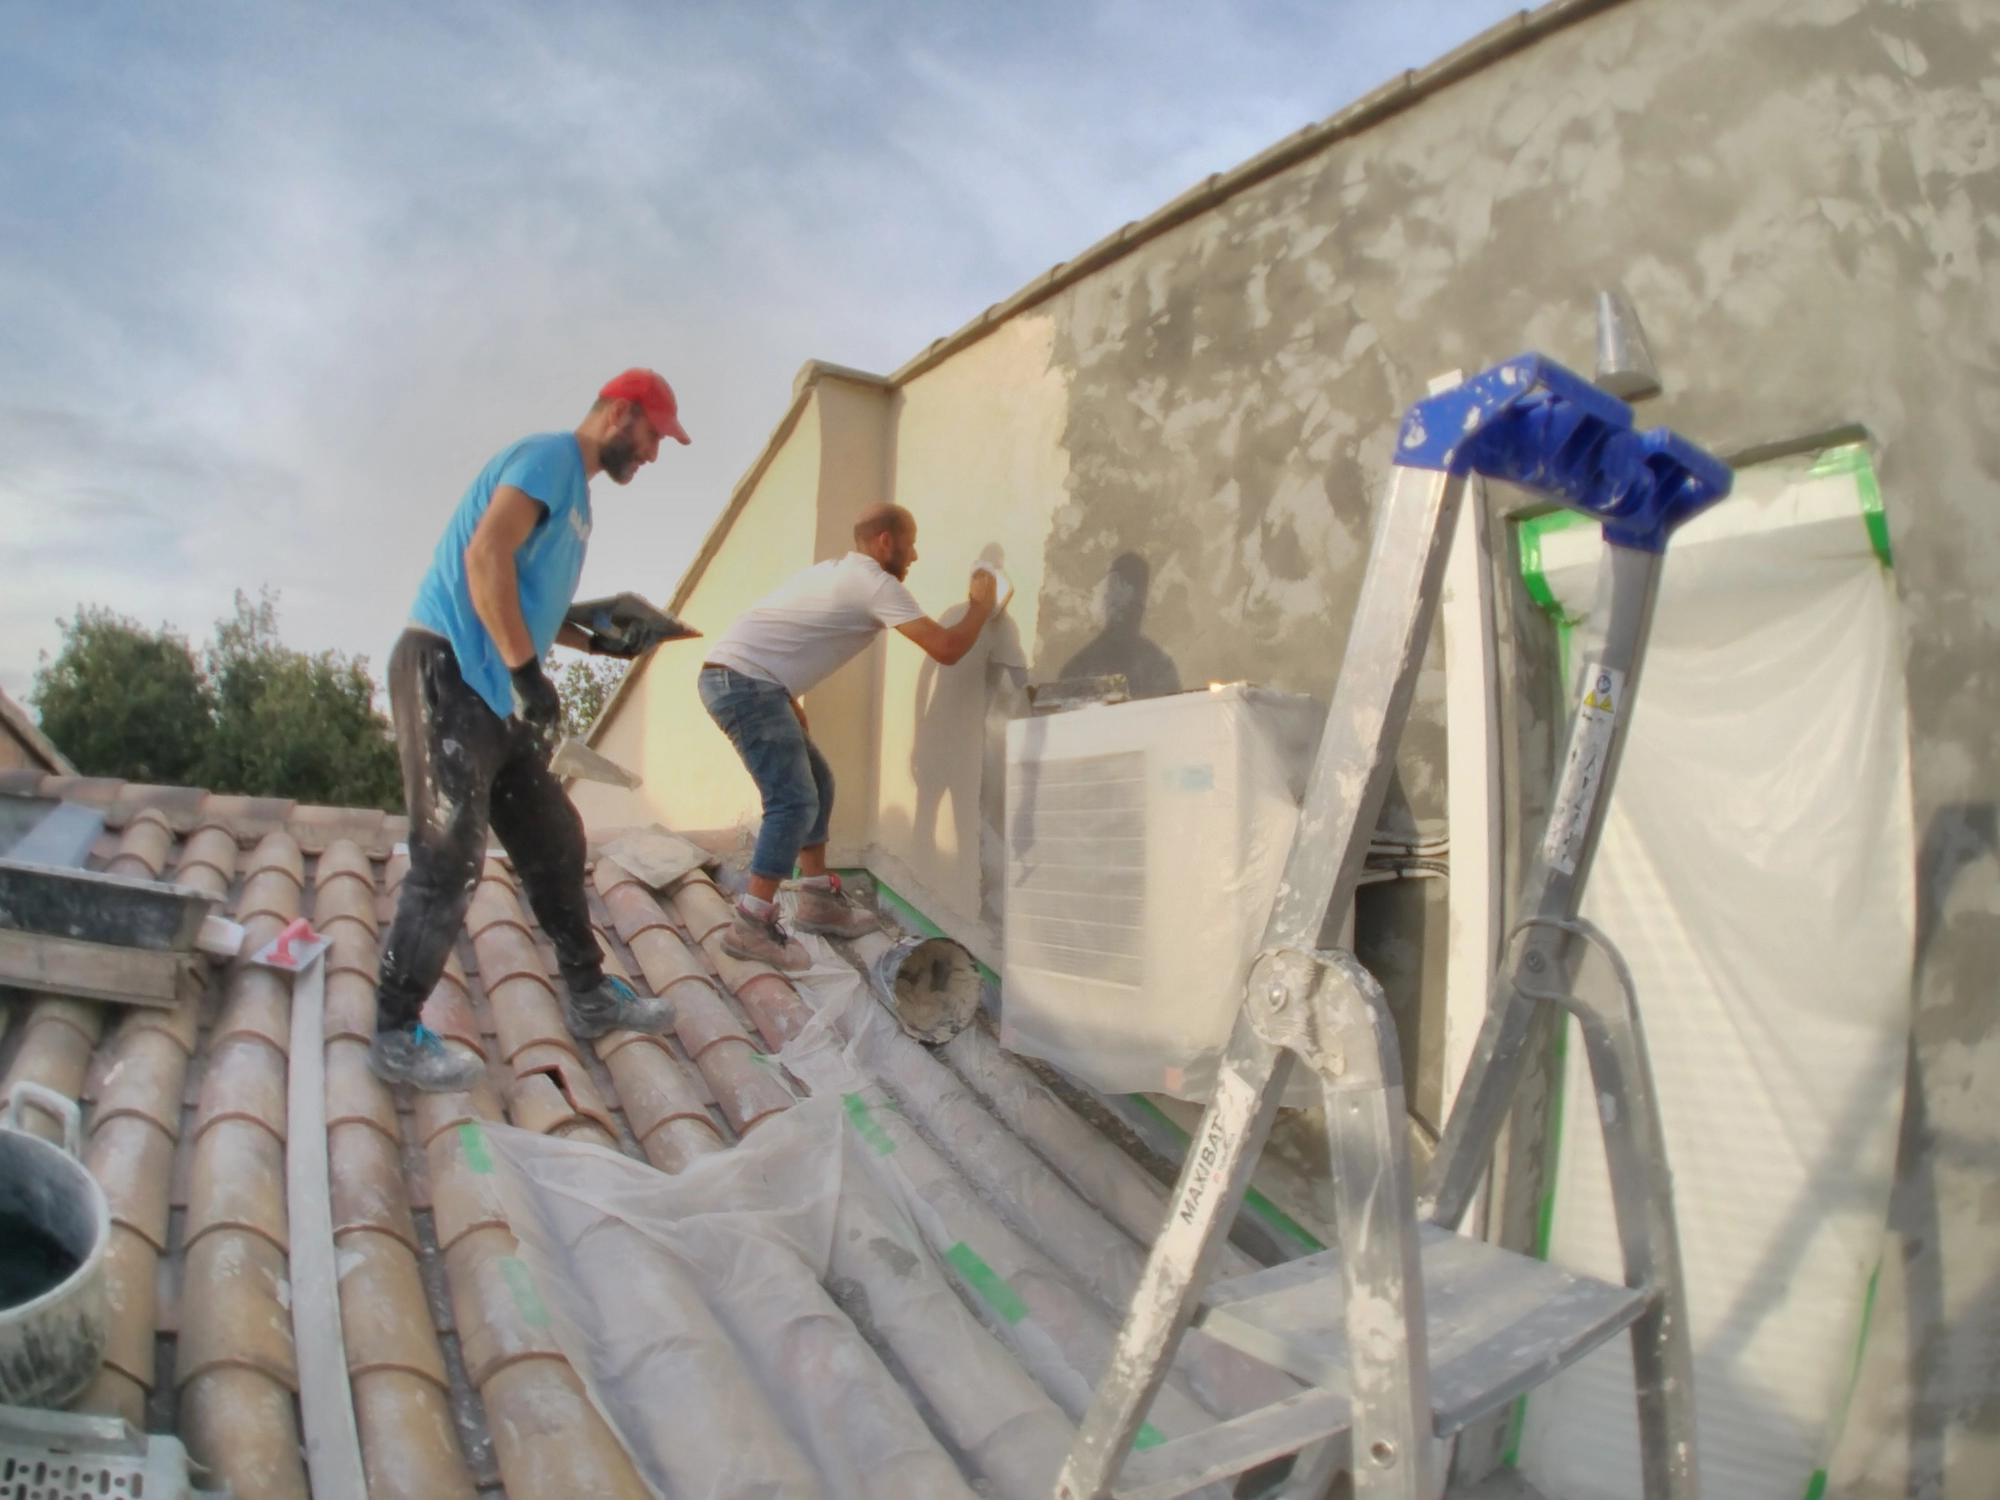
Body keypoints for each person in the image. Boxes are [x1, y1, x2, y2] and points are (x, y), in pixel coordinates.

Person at [370, 369, 692, 1090]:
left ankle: (587, 997)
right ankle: (393, 1033)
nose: (653, 455)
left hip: (496, 691)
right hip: (450, 670)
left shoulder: (576, 500)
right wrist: (526, 672)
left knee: (556, 839)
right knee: (449, 855)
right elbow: (484, 557)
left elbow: (524, 588)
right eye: (651, 437)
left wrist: (596, 636)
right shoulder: (549, 456)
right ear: (617, 414)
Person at [700, 503, 998, 969]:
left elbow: (784, 628)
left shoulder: (832, 573)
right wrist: (981, 605)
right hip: (746, 682)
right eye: (910, 542)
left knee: (818, 783)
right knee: (793, 800)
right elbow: (946, 649)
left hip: (743, 678)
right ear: (885, 541)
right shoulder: (877, 584)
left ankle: (817, 900)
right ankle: (750, 924)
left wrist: (783, 693)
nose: (915, 554)